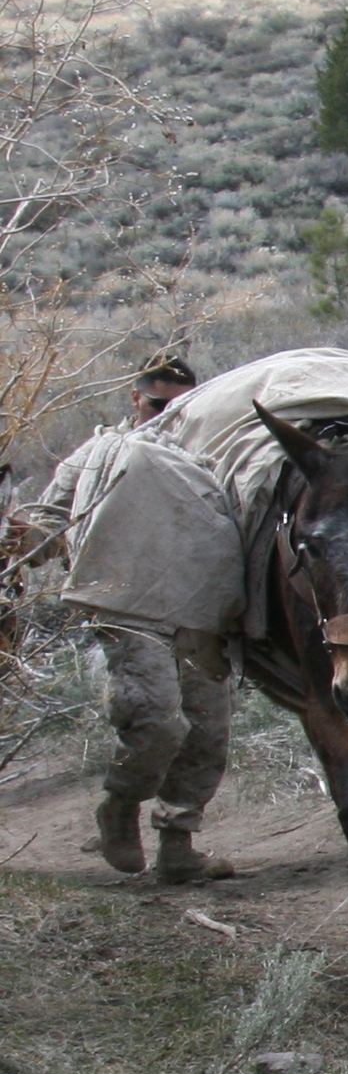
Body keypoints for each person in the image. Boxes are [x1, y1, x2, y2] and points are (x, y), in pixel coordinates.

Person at [8, 354, 241, 884]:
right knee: (156, 719)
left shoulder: (215, 454)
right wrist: (27, 540)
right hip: (126, 604)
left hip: (202, 609)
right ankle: (119, 805)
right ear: (135, 398)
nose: (168, 412)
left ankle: (178, 846)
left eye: (181, 403)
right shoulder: (97, 455)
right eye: (158, 402)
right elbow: (52, 518)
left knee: (208, 732)